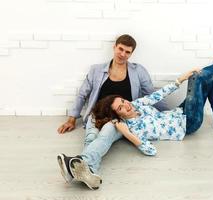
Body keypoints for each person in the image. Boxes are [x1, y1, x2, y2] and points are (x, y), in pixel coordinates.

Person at [89, 45, 213, 157]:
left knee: (210, 79)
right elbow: (151, 151)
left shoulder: (136, 104)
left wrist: (180, 79)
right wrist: (126, 133)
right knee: (198, 77)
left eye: (123, 101)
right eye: (121, 108)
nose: (127, 105)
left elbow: (158, 95)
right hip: (188, 123)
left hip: (179, 112)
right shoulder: (132, 128)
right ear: (117, 114)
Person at [56, 34, 169, 190]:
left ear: (131, 54)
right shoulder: (96, 70)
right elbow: (83, 93)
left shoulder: (138, 71)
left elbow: (152, 95)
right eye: (120, 49)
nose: (122, 54)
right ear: (114, 47)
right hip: (98, 113)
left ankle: (76, 164)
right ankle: (89, 172)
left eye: (127, 52)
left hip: (121, 118)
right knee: (91, 136)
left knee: (106, 132)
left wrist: (168, 113)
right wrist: (72, 119)